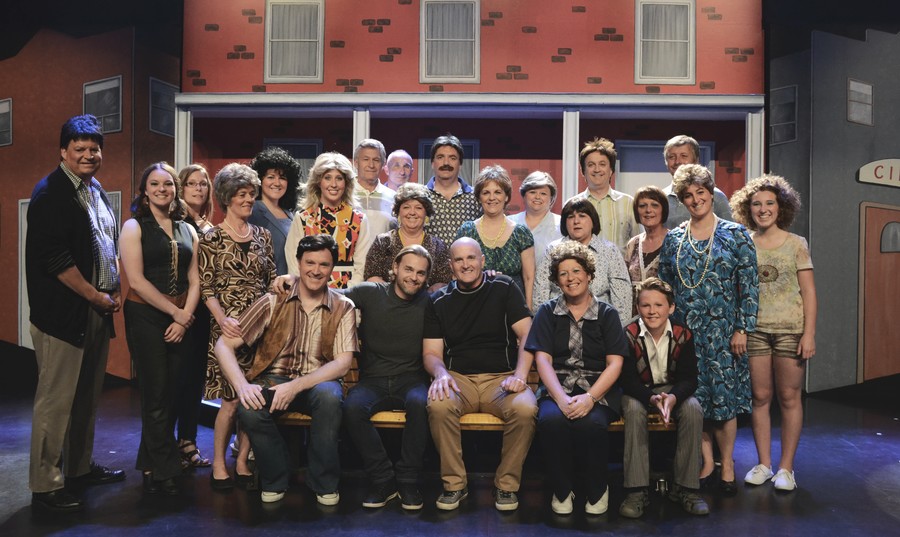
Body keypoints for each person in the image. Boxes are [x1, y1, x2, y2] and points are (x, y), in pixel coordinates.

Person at [26, 114, 125, 512]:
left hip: (97, 311)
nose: (88, 155)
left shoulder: (95, 190)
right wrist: (94, 296)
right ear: (63, 151)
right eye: (79, 148)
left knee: (85, 398)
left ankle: (79, 469)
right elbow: (55, 260)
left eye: (94, 149)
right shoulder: (50, 193)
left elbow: (105, 244)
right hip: (64, 315)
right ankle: (45, 486)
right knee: (55, 402)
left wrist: (113, 288)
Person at [215, 234, 357, 504]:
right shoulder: (273, 301)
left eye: (324, 264)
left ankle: (324, 483)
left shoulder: (343, 306)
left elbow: (342, 364)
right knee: (249, 407)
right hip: (274, 379)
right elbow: (224, 344)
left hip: (318, 383)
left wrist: (295, 387)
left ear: (332, 269)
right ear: (298, 263)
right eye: (310, 263)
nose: (316, 270)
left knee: (329, 398)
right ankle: (276, 476)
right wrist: (242, 386)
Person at [658, 164, 758, 494]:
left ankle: (727, 464)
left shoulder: (736, 234)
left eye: (701, 192)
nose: (695, 199)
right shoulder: (674, 238)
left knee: (724, 401)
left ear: (711, 194)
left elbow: (750, 286)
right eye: (688, 195)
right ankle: (705, 462)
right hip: (686, 334)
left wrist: (743, 328)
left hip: (725, 334)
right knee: (695, 399)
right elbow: (665, 288)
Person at [424, 237, 536, 512]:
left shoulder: (504, 287)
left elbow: (527, 334)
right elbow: (431, 353)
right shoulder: (438, 301)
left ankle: (506, 486)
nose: (466, 265)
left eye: (471, 258)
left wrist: (520, 376)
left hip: (502, 378)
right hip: (458, 379)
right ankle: (455, 485)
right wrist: (440, 374)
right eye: (459, 260)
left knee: (525, 409)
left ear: (482, 260)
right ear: (451, 266)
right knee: (438, 405)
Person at [526, 241, 626, 516]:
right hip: (557, 386)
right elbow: (542, 360)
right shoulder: (547, 312)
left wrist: (590, 398)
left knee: (591, 424)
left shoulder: (607, 313)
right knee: (551, 421)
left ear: (590, 275)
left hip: (598, 387)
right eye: (563, 273)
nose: (571, 278)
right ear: (557, 281)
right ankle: (561, 489)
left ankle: (597, 488)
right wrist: (560, 398)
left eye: (576, 271)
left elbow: (615, 363)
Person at [731, 175, 817, 492]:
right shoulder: (744, 243)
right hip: (755, 331)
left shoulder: (796, 244)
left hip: (790, 331)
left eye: (770, 203)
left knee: (789, 397)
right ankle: (764, 464)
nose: (763, 209)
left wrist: (809, 334)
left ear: (781, 207)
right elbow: (738, 291)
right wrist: (740, 328)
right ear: (748, 208)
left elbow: (809, 293)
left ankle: (786, 469)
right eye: (757, 204)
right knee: (760, 398)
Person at [120, 162, 200, 495]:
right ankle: (166, 469)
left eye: (168, 184)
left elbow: (195, 279)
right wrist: (175, 313)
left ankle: (150, 460)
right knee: (156, 392)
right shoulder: (133, 227)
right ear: (144, 191)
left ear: (175, 190)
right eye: (154, 184)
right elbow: (136, 281)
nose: (161, 189)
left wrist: (184, 316)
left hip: (180, 316)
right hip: (145, 315)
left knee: (173, 392)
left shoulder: (188, 229)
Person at [200, 163, 277, 491]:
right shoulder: (212, 237)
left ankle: (243, 459)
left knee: (253, 399)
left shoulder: (263, 235)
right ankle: (219, 463)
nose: (248, 200)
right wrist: (222, 319)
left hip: (259, 329)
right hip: (228, 330)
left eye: (251, 194)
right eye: (241, 194)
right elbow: (206, 287)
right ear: (226, 198)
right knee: (231, 402)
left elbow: (271, 280)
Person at [343, 246, 434, 510]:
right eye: (408, 269)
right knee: (352, 407)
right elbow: (329, 294)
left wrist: (490, 275)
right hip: (373, 380)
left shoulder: (430, 301)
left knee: (421, 403)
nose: (413, 277)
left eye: (420, 273)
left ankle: (407, 480)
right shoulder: (371, 293)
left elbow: (464, 295)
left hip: (412, 379)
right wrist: (292, 279)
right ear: (395, 268)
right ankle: (383, 479)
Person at [618, 278, 708, 518]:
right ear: (638, 308)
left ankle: (686, 488)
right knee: (633, 410)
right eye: (645, 305)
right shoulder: (628, 334)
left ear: (671, 307)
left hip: (673, 390)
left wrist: (673, 397)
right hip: (639, 391)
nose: (652, 311)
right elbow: (627, 381)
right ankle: (636, 490)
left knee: (693, 409)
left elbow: (690, 379)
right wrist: (651, 399)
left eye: (658, 305)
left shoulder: (683, 333)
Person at [533, 198, 632, 325]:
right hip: (557, 321)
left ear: (593, 221)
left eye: (582, 216)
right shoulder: (552, 250)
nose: (576, 221)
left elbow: (622, 296)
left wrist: (618, 329)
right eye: (570, 217)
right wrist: (543, 325)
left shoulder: (609, 250)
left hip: (600, 323)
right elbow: (540, 291)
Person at [174, 164, 214, 469]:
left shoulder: (210, 225)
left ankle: (188, 440)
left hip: (205, 312)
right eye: (191, 183)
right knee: (177, 379)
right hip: (180, 308)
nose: (198, 188)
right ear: (181, 188)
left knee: (194, 381)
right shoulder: (175, 223)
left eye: (203, 183)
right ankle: (167, 445)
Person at [285, 152, 370, 288]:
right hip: (309, 288)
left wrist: (349, 293)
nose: (333, 184)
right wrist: (304, 291)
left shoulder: (359, 220)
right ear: (319, 182)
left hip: (348, 291)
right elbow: (294, 261)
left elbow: (362, 265)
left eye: (339, 178)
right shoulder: (303, 218)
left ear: (346, 183)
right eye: (328, 178)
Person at [456, 165, 536, 309]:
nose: (492, 198)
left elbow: (529, 278)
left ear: (506, 196)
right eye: (486, 192)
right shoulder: (467, 231)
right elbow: (457, 273)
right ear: (479, 197)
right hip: (474, 306)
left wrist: (528, 311)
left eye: (498, 192)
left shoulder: (520, 233)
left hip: (513, 309)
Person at [363, 182, 452, 291]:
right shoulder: (383, 241)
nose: (412, 212)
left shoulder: (438, 246)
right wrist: (394, 296)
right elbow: (371, 276)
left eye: (418, 208)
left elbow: (443, 282)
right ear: (398, 212)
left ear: (426, 213)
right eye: (406, 207)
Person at [575, 137, 639, 254]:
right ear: (583, 171)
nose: (597, 169)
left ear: (611, 170)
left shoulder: (629, 203)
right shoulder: (573, 205)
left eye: (602, 164)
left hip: (620, 266)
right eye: (591, 165)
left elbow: (639, 243)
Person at [248, 146, 301, 276]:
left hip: (293, 283)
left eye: (282, 178)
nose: (277, 183)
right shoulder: (252, 211)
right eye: (271, 177)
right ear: (260, 180)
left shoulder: (290, 214)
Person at [423, 134, 482, 248]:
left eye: (452, 158)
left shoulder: (476, 196)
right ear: (432, 163)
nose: (446, 163)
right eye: (440, 157)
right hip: (430, 260)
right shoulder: (421, 197)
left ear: (460, 164)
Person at [661, 135, 731, 228]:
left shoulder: (716, 196)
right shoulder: (660, 198)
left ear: (696, 160)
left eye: (684, 156)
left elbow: (731, 231)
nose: (677, 161)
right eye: (671, 157)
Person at [623, 186, 669, 315]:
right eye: (642, 206)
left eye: (654, 205)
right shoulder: (633, 243)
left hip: (662, 315)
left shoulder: (674, 241)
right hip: (634, 316)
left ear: (663, 209)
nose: (648, 210)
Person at [510, 170, 562, 272]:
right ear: (524, 195)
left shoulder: (561, 224)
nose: (537, 197)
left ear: (551, 198)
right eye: (532, 192)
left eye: (543, 193)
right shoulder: (510, 222)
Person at [353, 139, 395, 239]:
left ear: (383, 164)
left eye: (376, 160)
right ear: (356, 163)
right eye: (366, 159)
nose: (371, 165)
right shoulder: (345, 193)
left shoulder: (393, 197)